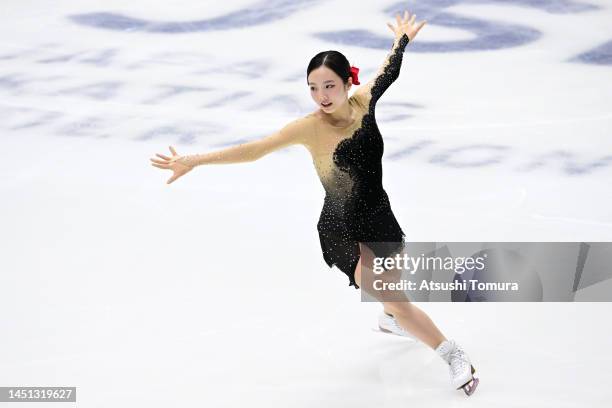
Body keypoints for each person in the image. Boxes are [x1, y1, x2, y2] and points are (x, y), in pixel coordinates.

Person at [150, 10, 478, 396]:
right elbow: (254, 150)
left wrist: (401, 40)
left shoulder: (364, 103)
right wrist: (195, 160)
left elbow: (390, 71)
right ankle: (454, 355)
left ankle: (390, 319)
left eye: (329, 86)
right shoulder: (306, 128)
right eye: (313, 88)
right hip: (341, 226)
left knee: (392, 293)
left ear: (346, 83)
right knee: (393, 295)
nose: (321, 96)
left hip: (379, 215)